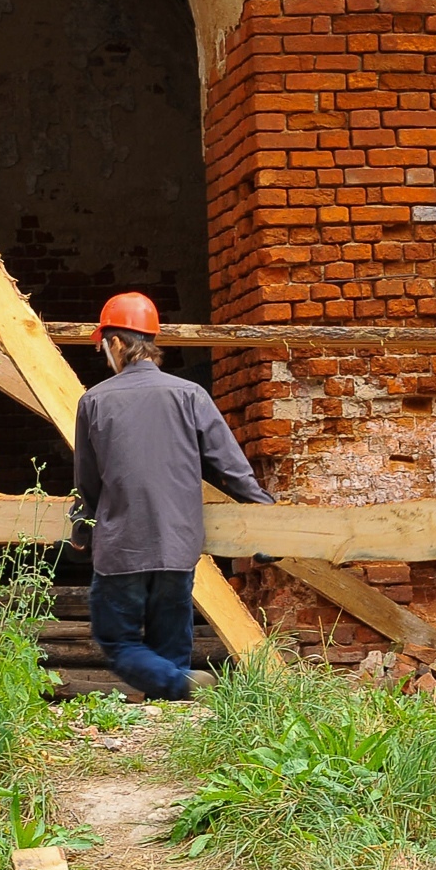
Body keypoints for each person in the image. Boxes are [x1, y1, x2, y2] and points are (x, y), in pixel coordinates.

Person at [71, 291, 273, 700]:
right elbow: (231, 467)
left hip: (122, 548)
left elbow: (88, 485)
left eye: (102, 346)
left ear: (116, 343)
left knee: (118, 641)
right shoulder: (190, 395)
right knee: (170, 641)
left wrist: (83, 525)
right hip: (178, 546)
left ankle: (177, 684)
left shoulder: (93, 401)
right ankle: (177, 705)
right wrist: (266, 517)